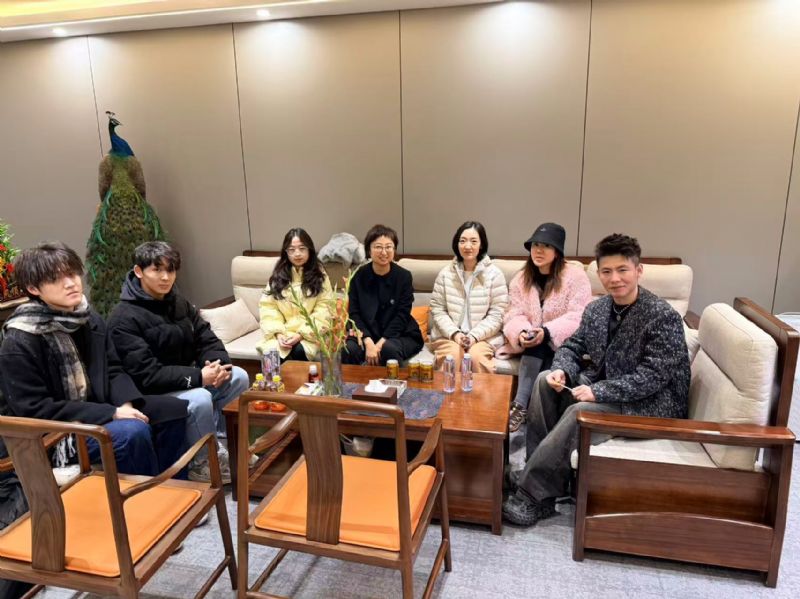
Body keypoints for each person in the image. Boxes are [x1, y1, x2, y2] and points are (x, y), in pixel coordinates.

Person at [502, 233, 691, 526]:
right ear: (599, 274)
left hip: (651, 404)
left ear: (638, 270)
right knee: (543, 381)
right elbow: (572, 346)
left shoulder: (662, 316)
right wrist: (562, 370)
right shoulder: (598, 309)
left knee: (581, 412)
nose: (614, 279)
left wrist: (598, 391)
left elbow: (652, 377)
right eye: (607, 271)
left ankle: (532, 494)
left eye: (622, 270)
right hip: (610, 390)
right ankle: (538, 475)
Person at [0, 242, 188, 476]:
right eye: (55, 279)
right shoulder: (20, 340)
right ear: (33, 288)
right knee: (132, 431)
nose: (70, 283)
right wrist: (111, 413)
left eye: (72, 274)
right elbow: (36, 409)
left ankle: (171, 486)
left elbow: (113, 369)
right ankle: (145, 494)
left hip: (100, 406)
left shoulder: (89, 319)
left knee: (173, 409)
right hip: (58, 432)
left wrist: (125, 404)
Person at [107, 241, 249, 483]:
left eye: (170, 270)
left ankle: (229, 445)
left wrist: (217, 365)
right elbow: (147, 375)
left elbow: (206, 337)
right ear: (139, 271)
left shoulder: (177, 302)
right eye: (157, 270)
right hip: (151, 393)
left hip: (185, 379)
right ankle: (202, 462)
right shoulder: (123, 317)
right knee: (200, 398)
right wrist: (198, 377)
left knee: (238, 376)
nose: (165, 277)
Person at [501, 223, 592, 431]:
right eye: (535, 245)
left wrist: (548, 331)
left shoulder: (576, 277)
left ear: (557, 251)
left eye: (546, 246)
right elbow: (513, 313)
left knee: (542, 342)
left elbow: (579, 315)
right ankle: (529, 414)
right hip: (533, 343)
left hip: (567, 343)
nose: (538, 250)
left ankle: (520, 405)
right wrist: (521, 332)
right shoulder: (521, 279)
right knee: (536, 340)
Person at [428, 221, 508, 372]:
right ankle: (446, 389)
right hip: (448, 336)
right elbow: (438, 310)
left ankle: (483, 390)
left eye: (473, 241)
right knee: (452, 356)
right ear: (457, 244)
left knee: (476, 357)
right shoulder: (446, 274)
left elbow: (497, 314)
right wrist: (455, 334)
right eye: (463, 241)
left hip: (483, 338)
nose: (467, 246)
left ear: (481, 245)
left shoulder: (494, 275)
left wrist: (474, 336)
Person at [342, 225, 423, 366]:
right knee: (349, 349)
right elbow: (354, 313)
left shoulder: (403, 277)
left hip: (399, 333)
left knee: (388, 349)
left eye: (388, 247)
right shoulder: (358, 276)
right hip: (366, 332)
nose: (384, 252)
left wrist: (380, 344)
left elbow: (402, 315)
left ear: (394, 249)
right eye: (378, 247)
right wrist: (368, 341)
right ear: (369, 250)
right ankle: (352, 381)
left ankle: (394, 381)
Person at [257, 228, 332, 362]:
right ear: (286, 252)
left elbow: (324, 309)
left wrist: (300, 335)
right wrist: (278, 333)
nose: (297, 254)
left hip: (311, 334)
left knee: (298, 351)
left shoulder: (320, 276)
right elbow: (268, 307)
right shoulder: (278, 276)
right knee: (273, 354)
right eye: (291, 250)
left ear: (309, 250)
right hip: (283, 332)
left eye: (302, 248)